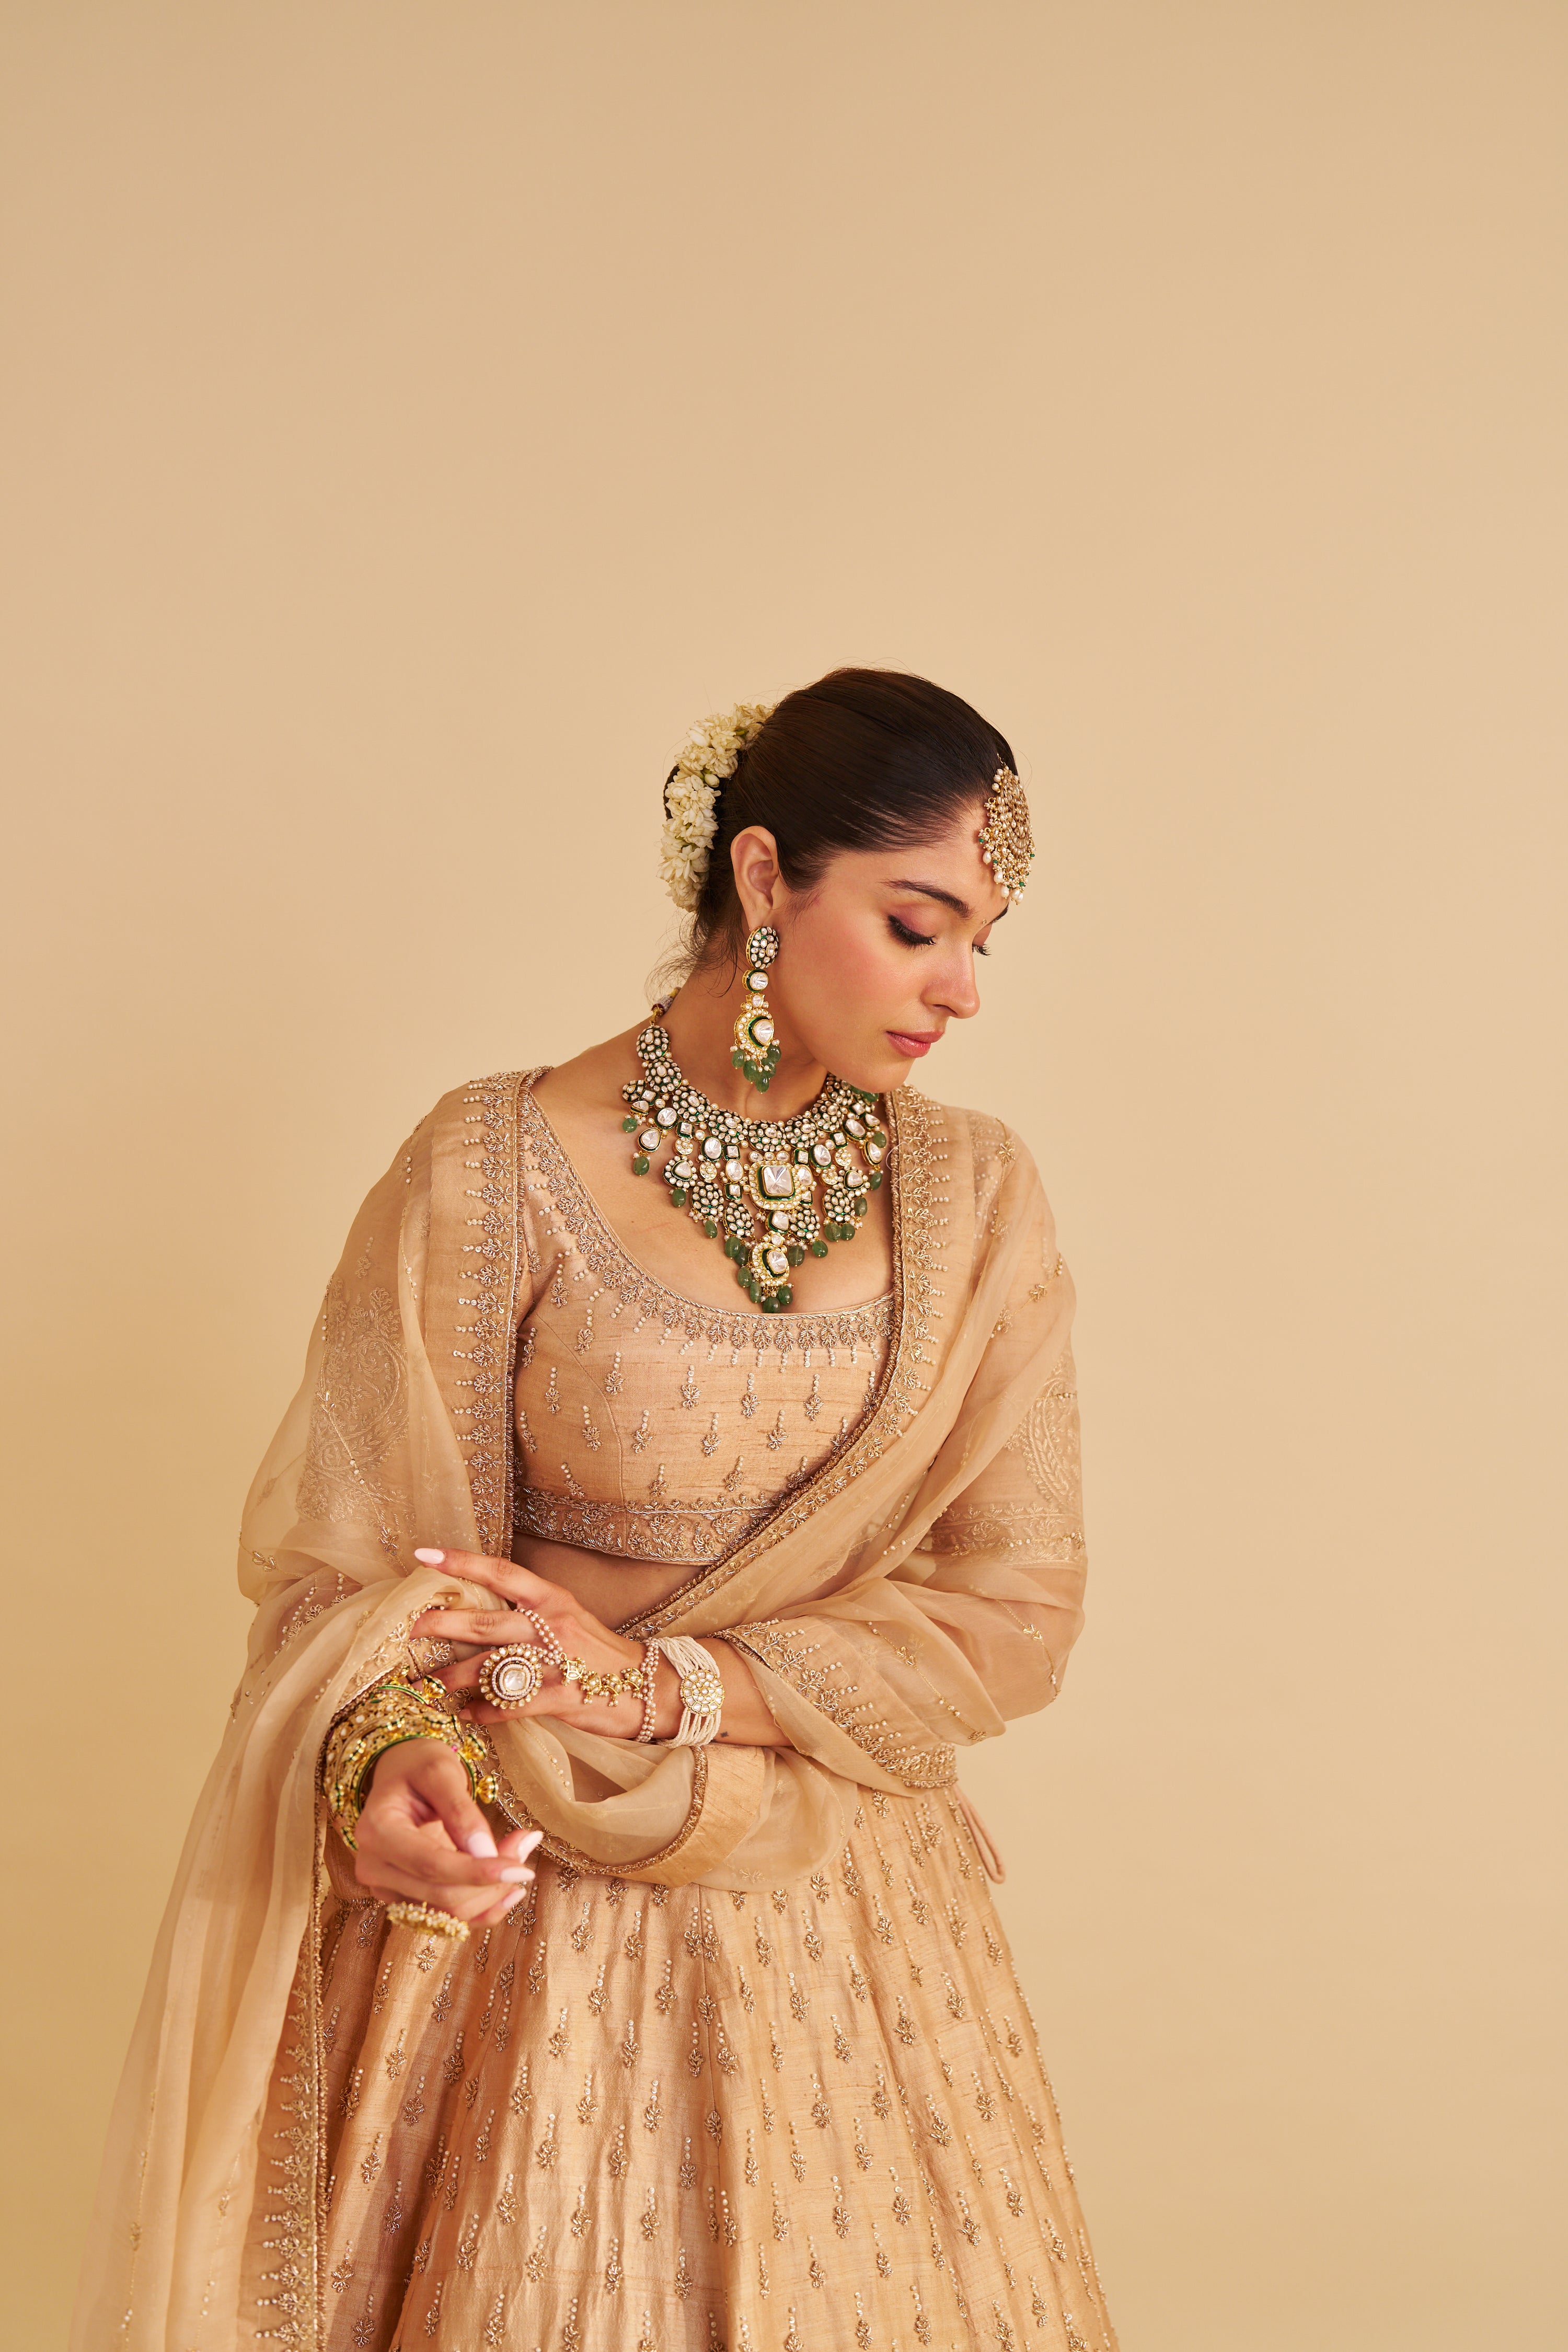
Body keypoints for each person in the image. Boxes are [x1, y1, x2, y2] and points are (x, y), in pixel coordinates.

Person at [72, 668, 1118, 2352]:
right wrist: (387, 1766)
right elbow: (355, 1572)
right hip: (529, 1903)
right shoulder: (493, 1167)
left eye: (984, 940)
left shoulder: (978, 1200)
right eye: (920, 926)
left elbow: (1013, 1604)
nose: (964, 989)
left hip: (843, 1911)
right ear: (765, 876)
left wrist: (665, 1687)